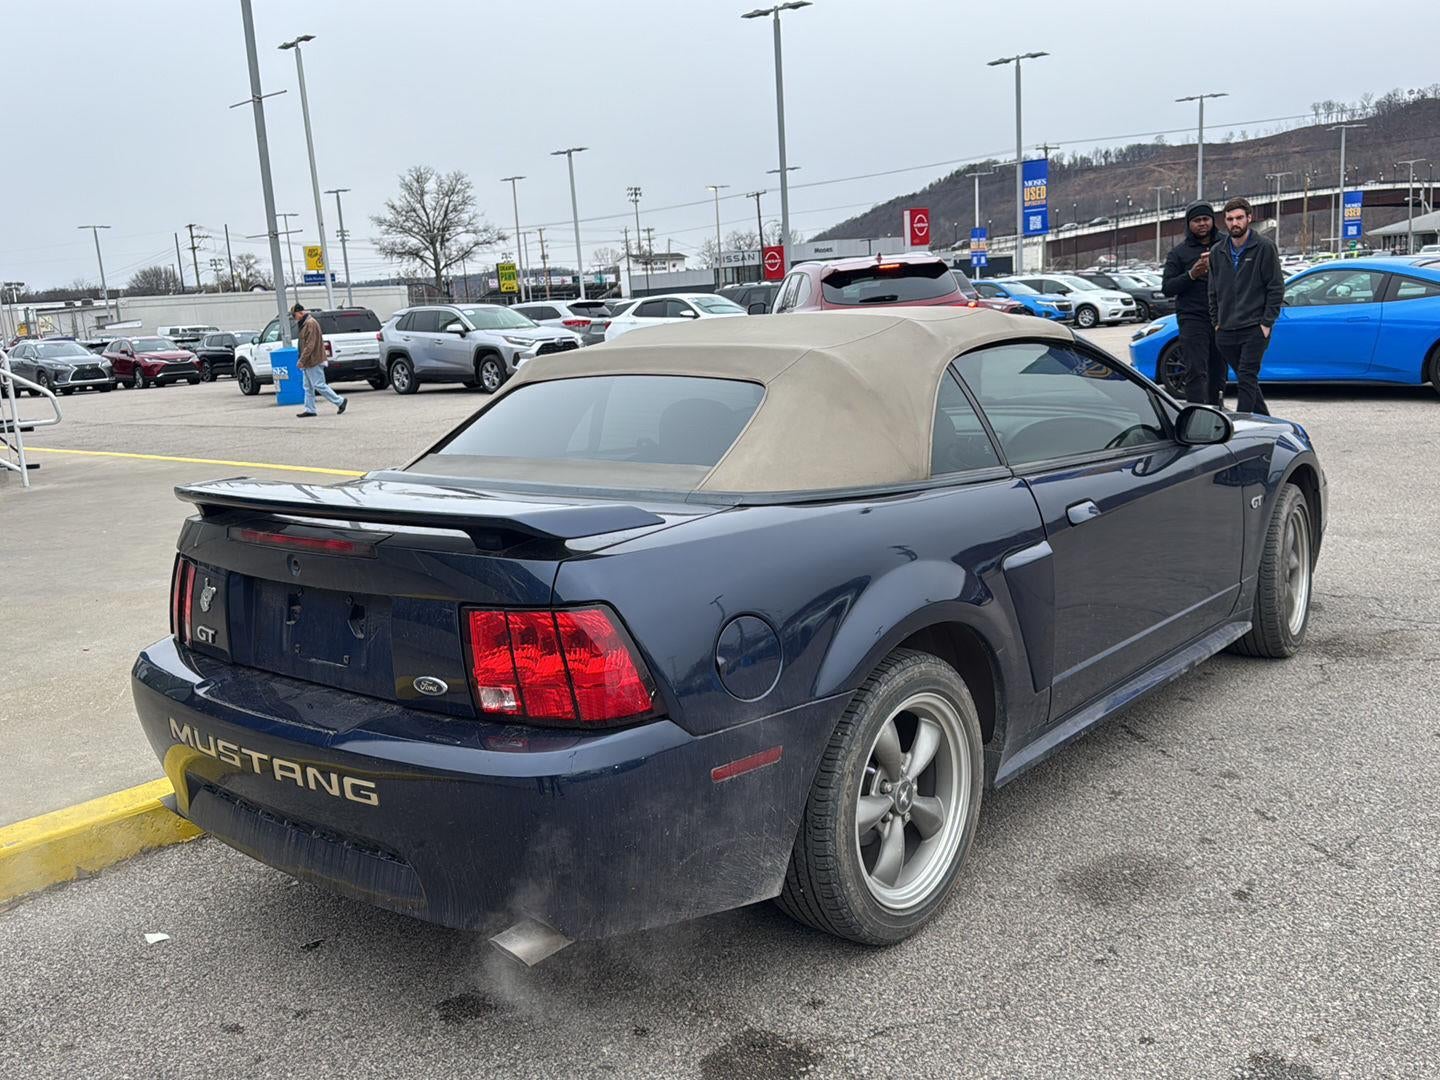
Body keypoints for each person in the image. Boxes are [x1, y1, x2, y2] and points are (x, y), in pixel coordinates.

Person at [1208, 197, 1283, 416]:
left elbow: (1276, 288)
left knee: (1247, 377)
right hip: (1226, 330)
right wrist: (1216, 323)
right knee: (1244, 378)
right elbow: (1212, 291)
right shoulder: (1217, 252)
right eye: (1230, 219)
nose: (1235, 223)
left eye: (1239, 218)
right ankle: (1266, 422)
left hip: (1254, 328)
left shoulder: (1264, 248)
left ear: (1249, 218)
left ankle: (1242, 427)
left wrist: (1266, 324)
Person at [1161, 200, 1226, 405]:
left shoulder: (1226, 244)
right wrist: (1192, 274)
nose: (1202, 224)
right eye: (1197, 220)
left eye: (1206, 219)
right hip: (1192, 317)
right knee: (1196, 370)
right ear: (1189, 224)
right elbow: (1167, 288)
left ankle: (1216, 412)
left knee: (1219, 369)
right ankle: (1197, 415)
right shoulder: (1178, 253)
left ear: (1213, 221)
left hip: (1222, 316)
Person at [293, 302, 347, 419]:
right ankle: (310, 409)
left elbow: (310, 345)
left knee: (319, 385)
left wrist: (302, 360)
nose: (294, 318)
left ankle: (340, 401)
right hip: (309, 361)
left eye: (294, 315)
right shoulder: (305, 323)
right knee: (308, 386)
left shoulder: (310, 324)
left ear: (300, 313)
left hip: (314, 360)